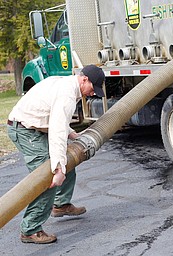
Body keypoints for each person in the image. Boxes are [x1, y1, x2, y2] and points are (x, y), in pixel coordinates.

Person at [7, 65, 105, 244]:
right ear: (84, 80)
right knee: (47, 179)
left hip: (32, 127)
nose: (93, 93)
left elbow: (52, 117)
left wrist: (72, 134)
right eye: (93, 88)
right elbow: (57, 130)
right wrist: (58, 168)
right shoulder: (67, 94)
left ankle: (61, 205)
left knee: (68, 162)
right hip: (24, 131)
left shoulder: (68, 86)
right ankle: (30, 229)